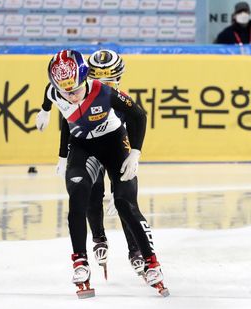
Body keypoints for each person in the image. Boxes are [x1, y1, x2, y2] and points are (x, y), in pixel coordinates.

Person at [36, 49, 168, 298]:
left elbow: (138, 114)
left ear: (85, 79)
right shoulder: (57, 90)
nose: (71, 97)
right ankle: (80, 262)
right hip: (82, 147)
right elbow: (50, 94)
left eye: (74, 90)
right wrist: (45, 112)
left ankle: (150, 261)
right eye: (65, 92)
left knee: (124, 203)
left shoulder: (103, 91)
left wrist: (136, 152)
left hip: (114, 145)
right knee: (79, 193)